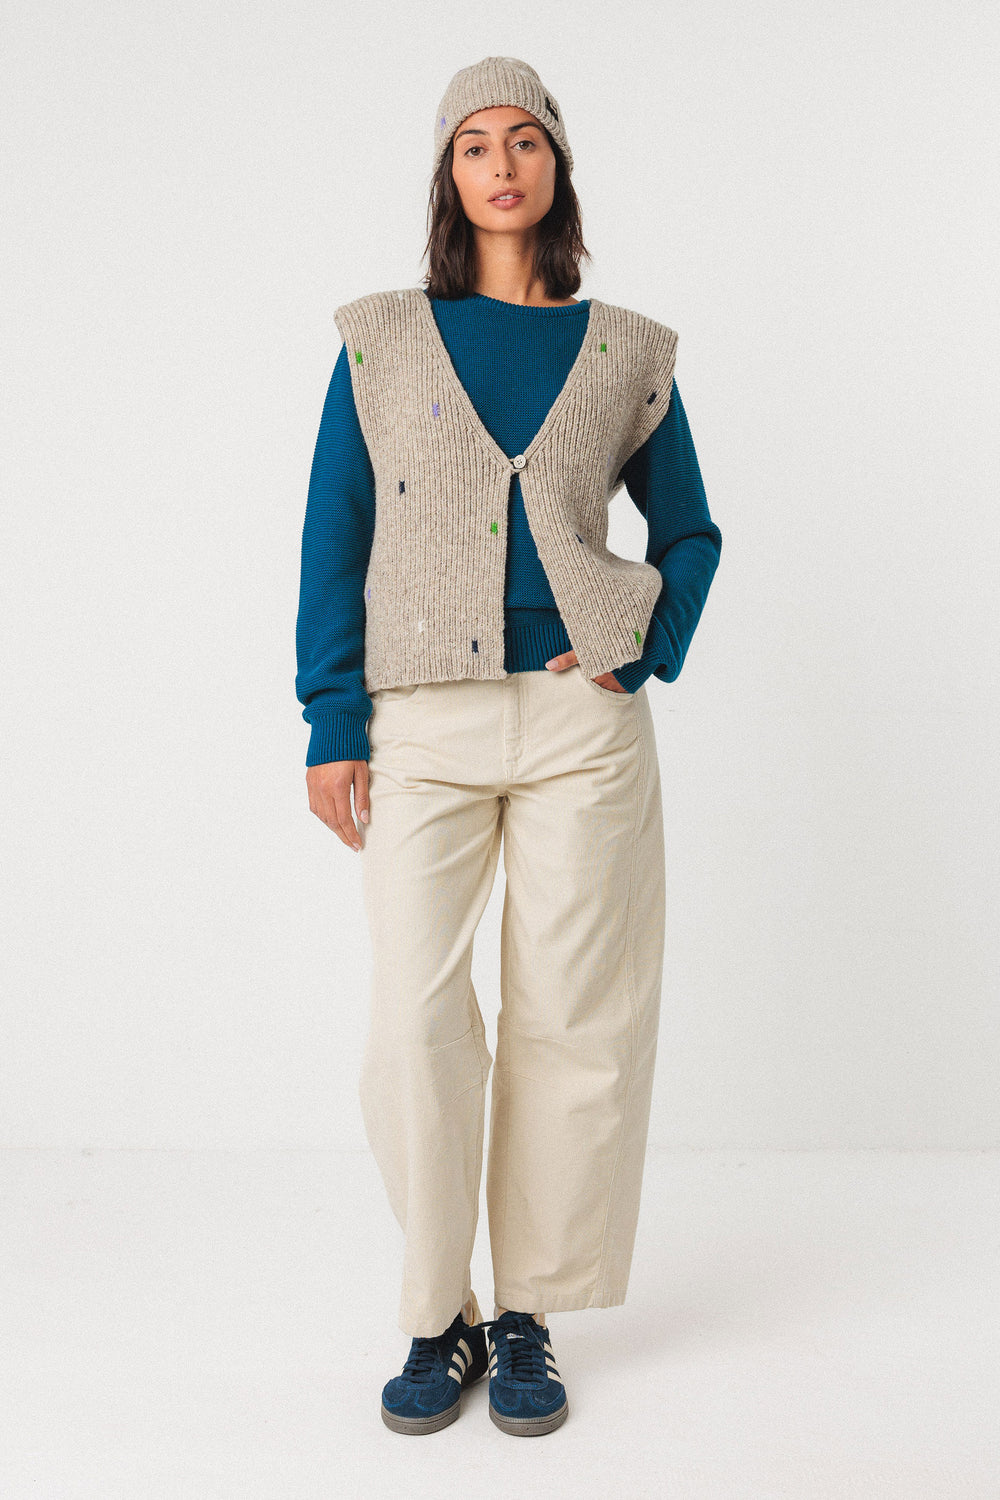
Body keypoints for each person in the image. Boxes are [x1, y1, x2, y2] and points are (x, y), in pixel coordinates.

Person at [295, 56, 723, 1438]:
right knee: (413, 1019)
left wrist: (638, 643)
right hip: (419, 721)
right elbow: (335, 533)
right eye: (474, 143)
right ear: (449, 174)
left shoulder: (626, 351)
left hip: (581, 728)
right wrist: (332, 718)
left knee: (572, 1019)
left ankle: (529, 1307)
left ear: (556, 167)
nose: (500, 164)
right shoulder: (381, 341)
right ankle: (441, 1313)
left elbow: (691, 531)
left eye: (524, 139)